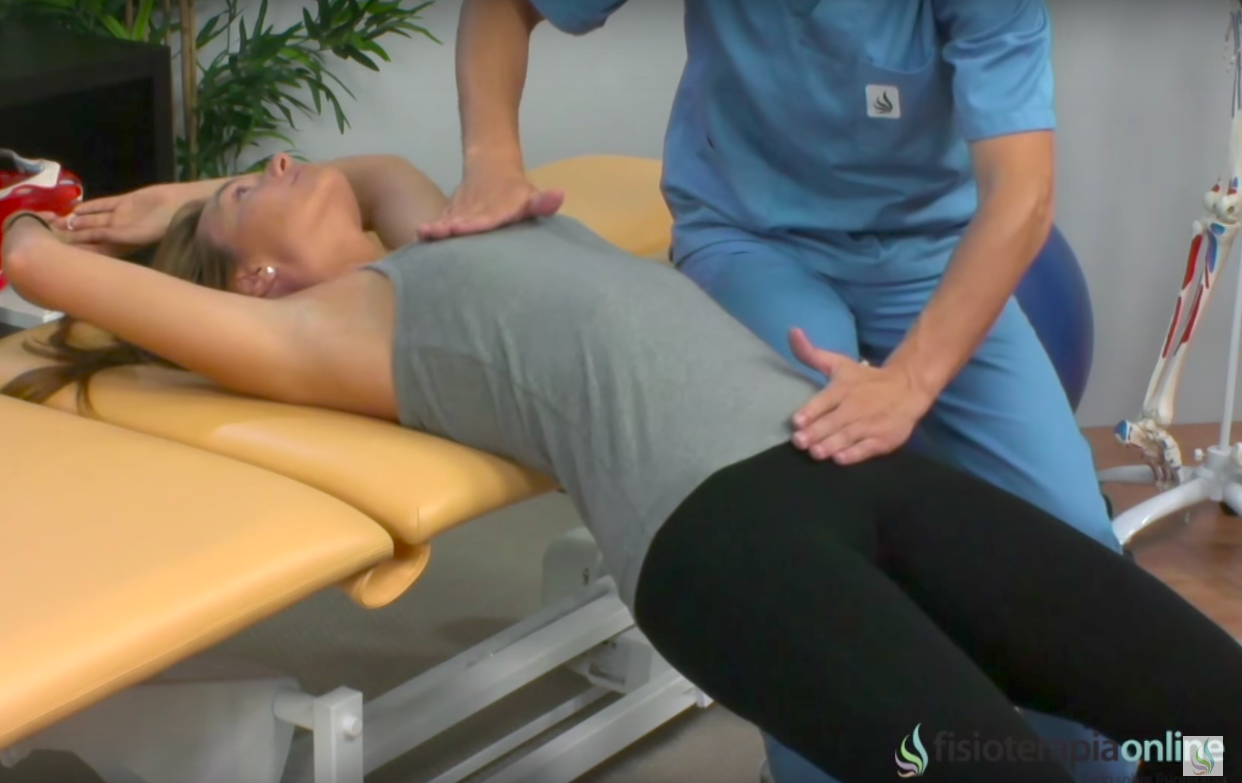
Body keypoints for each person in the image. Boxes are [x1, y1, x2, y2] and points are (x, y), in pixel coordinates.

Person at [2, 154, 1239, 782]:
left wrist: (188, 192)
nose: (278, 165)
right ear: (257, 282)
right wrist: (66, 215)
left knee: (1207, 714)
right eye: (248, 193)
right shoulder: (310, 331)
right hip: (725, 543)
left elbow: (367, 167)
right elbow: (42, 268)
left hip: (855, 455)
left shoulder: (440, 227)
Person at [423, 2, 1121, 780]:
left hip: (934, 247)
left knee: (1073, 533)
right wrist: (491, 159)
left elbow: (1023, 191)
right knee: (797, 538)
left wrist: (911, 380)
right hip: (755, 240)